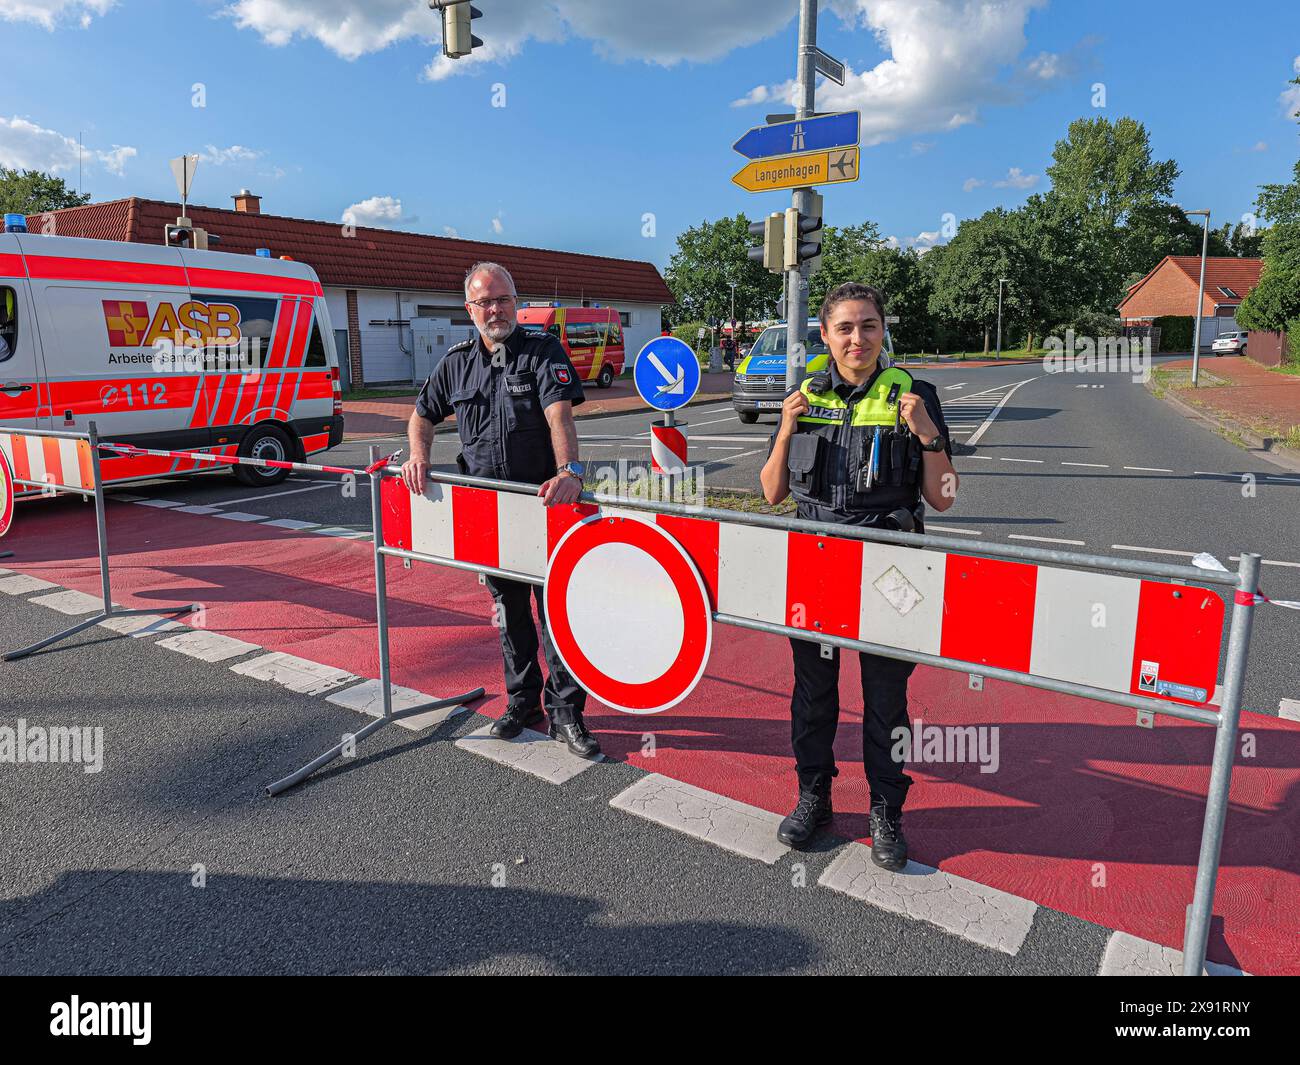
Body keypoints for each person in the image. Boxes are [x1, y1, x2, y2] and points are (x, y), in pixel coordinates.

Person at [759, 282, 959, 868]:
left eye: (868, 326)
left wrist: (927, 432)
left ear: (882, 332)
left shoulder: (914, 395)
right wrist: (785, 428)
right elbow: (771, 492)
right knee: (813, 695)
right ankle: (813, 796)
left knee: (885, 698)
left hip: (890, 568)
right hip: (817, 564)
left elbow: (943, 499)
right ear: (824, 336)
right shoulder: (803, 396)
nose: (857, 338)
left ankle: (886, 810)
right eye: (844, 328)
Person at [401, 262, 600, 759]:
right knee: (508, 613)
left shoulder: (542, 351)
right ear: (470, 310)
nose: (496, 309)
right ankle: (522, 703)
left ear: (516, 301)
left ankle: (567, 715)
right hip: (489, 515)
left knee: (556, 614)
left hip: (543, 507)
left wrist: (570, 470)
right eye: (485, 302)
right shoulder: (457, 362)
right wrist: (419, 456)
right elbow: (421, 415)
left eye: (503, 299)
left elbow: (560, 417)